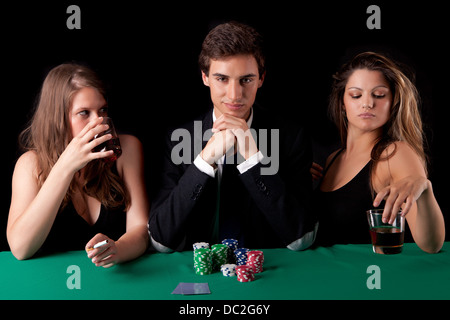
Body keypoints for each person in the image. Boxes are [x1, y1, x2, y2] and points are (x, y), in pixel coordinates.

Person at [148, 21, 316, 252]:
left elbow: (301, 239)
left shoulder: (290, 137)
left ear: (261, 79)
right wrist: (204, 160)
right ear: (205, 77)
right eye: (222, 79)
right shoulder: (180, 138)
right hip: (200, 273)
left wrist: (252, 159)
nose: (235, 95)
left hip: (267, 275)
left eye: (246, 79)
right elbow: (160, 241)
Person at [7, 63, 149, 266]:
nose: (99, 122)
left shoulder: (127, 149)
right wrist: (65, 167)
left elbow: (141, 231)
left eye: (102, 110)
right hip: (53, 287)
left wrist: (117, 249)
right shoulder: (31, 165)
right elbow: (20, 248)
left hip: (115, 283)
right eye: (84, 113)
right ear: (59, 119)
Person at [312, 52, 445, 253]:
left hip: (374, 279)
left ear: (393, 103)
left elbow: (432, 245)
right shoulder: (333, 159)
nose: (367, 103)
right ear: (342, 103)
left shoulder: (395, 154)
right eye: (356, 95)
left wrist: (424, 189)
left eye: (379, 95)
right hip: (329, 277)